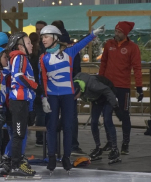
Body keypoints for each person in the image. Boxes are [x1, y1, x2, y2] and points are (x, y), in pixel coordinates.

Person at [39, 25, 104, 172]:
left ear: (55, 38)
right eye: (42, 37)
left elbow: (81, 43)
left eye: (46, 37)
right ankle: (51, 157)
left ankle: (66, 157)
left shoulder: (69, 52)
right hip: (52, 96)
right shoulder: (43, 57)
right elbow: (42, 78)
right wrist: (44, 98)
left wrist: (93, 34)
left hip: (68, 95)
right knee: (51, 127)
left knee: (68, 126)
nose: (43, 40)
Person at [99, 21, 143, 155]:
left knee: (124, 115)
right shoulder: (109, 44)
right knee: (106, 116)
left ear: (125, 34)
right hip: (107, 87)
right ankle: (110, 141)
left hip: (123, 87)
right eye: (115, 31)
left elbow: (137, 68)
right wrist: (100, 81)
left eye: (119, 32)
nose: (116, 33)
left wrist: (139, 87)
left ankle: (125, 143)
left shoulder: (132, 47)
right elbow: (103, 63)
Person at [73, 72, 125, 162]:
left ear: (79, 91)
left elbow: (107, 91)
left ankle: (115, 149)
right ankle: (98, 147)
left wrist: (116, 108)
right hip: (96, 98)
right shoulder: (75, 85)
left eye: (76, 97)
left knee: (107, 120)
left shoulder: (92, 85)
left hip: (107, 95)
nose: (76, 99)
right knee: (93, 122)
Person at [51, 20, 84, 155]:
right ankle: (72, 146)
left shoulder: (50, 46)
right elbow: (77, 70)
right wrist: (77, 87)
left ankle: (52, 148)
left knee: (52, 117)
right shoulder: (72, 47)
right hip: (69, 87)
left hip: (53, 88)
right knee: (71, 117)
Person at [7, 32, 38, 176]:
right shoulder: (20, 56)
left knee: (20, 133)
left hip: (22, 101)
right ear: (20, 46)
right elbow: (18, 75)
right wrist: (34, 85)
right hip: (18, 101)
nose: (31, 45)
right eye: (28, 42)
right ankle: (15, 165)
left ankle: (16, 162)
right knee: (18, 134)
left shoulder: (22, 57)